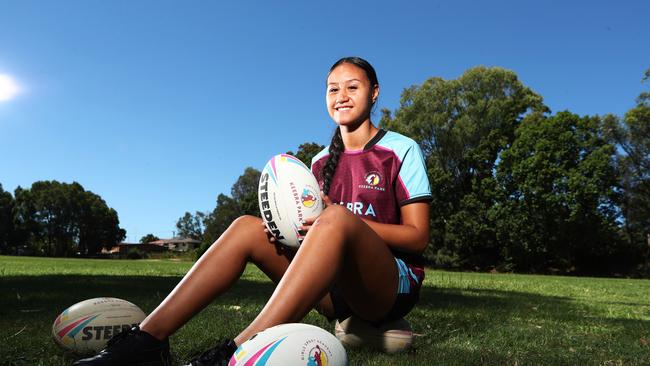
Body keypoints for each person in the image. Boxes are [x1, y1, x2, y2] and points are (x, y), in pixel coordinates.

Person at [73, 56, 432, 366]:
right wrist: (288, 228)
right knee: (247, 226)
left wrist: (340, 218)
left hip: (386, 288)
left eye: (352, 87)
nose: (341, 96)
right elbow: (314, 234)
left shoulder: (401, 149)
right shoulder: (321, 162)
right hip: (333, 291)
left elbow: (417, 238)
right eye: (332, 88)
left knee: (336, 218)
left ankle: (237, 352)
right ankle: (146, 342)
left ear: (374, 92)